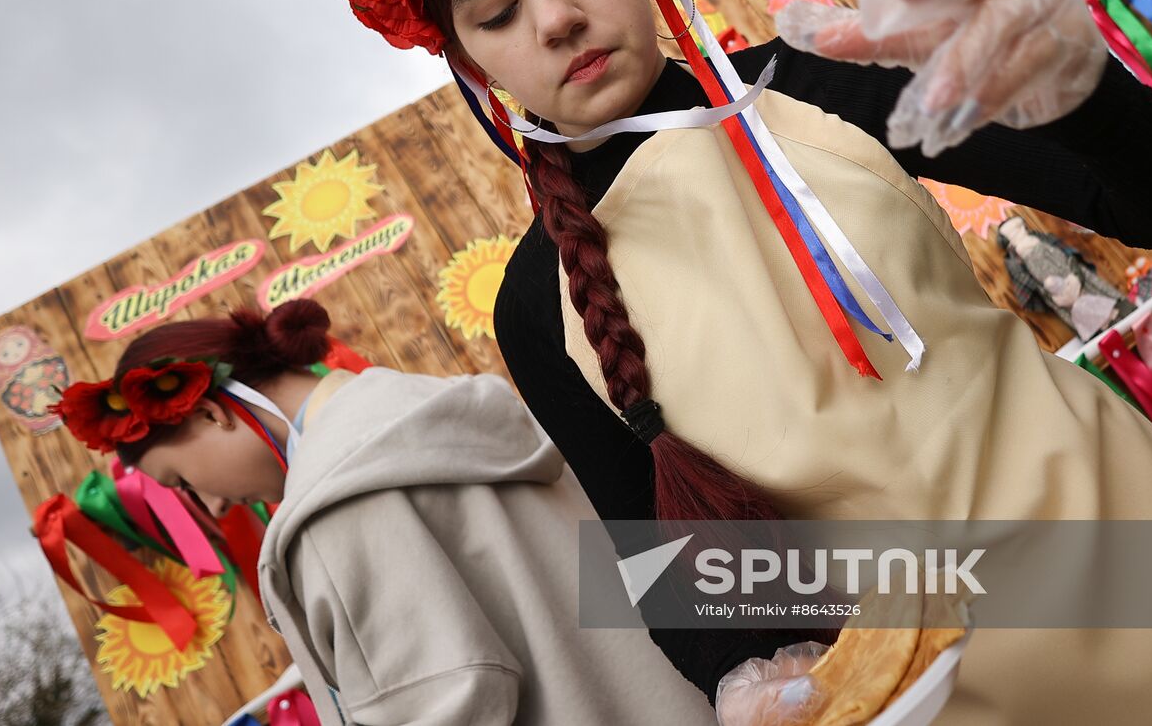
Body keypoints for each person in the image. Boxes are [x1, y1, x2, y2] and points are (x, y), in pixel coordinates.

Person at [314, 0, 1152, 724]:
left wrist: (1082, 94)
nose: (553, 17)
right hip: (953, 691)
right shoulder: (535, 302)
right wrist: (748, 675)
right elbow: (669, 576)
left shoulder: (813, 75)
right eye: (494, 12)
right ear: (469, 57)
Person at [51, 298, 718, 725]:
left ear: (205, 411)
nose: (216, 505)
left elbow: (443, 704)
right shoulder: (437, 409)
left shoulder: (332, 506)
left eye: (182, 483)